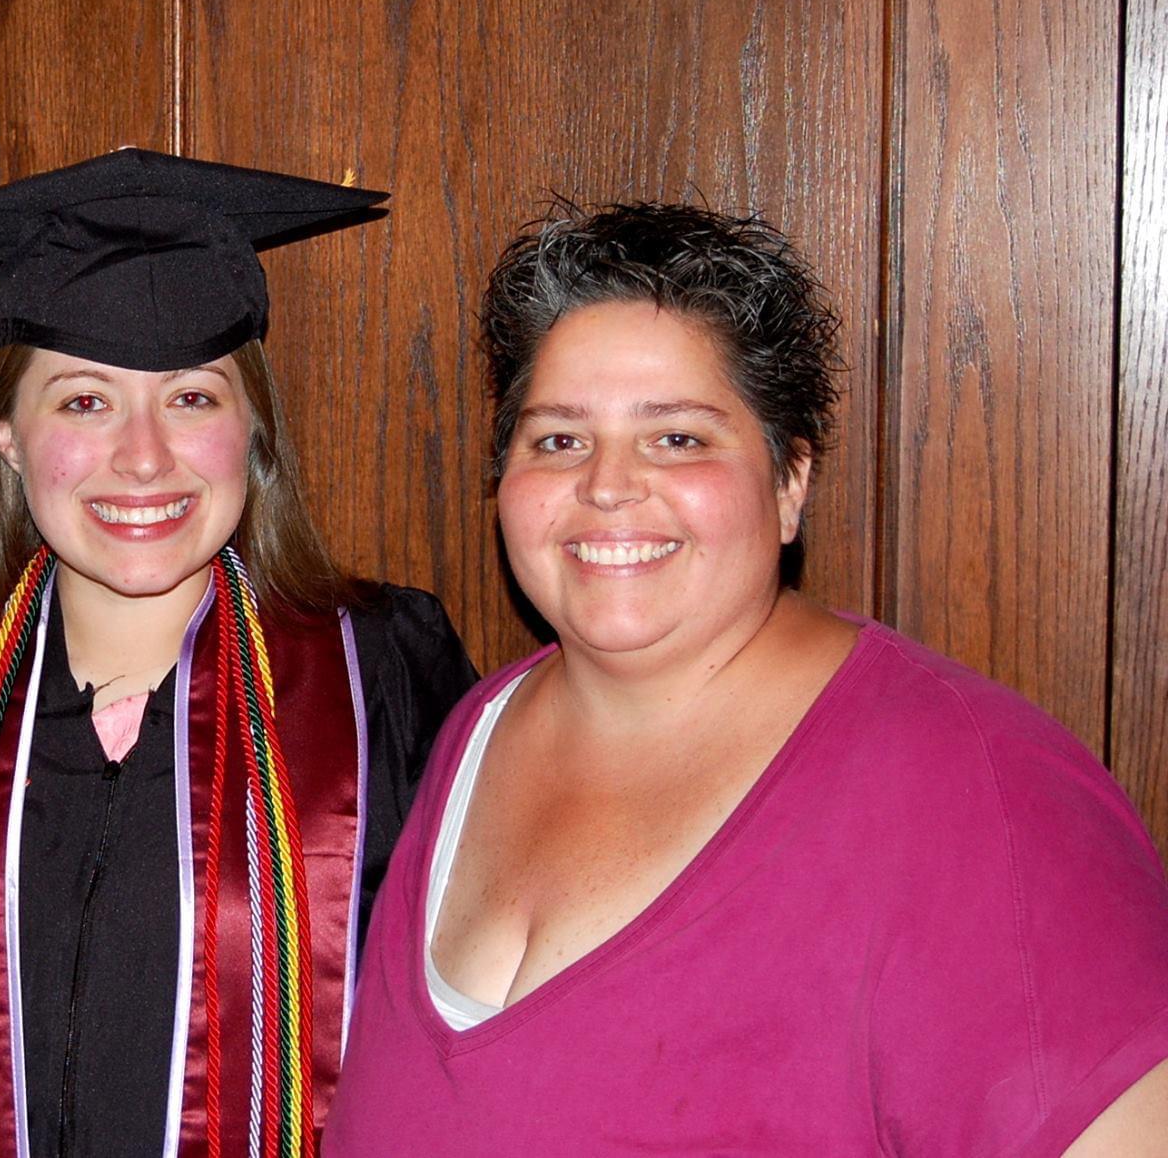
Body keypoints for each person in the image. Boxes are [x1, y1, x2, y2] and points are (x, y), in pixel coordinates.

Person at [325, 201, 1168, 1154]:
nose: (607, 485)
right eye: (558, 438)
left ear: (790, 480)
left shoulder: (984, 795)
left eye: (678, 437)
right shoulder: (473, 730)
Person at [0, 147, 479, 1157]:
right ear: (6, 435)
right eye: (83, 400)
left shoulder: (381, 674)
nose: (143, 455)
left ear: (251, 428)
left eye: (191, 397)